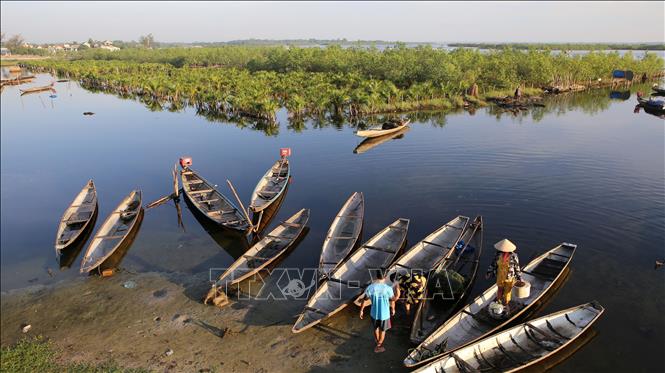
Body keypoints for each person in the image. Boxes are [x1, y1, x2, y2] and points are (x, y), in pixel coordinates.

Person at [359, 269, 395, 353]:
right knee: (383, 331)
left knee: (375, 328)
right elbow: (392, 300)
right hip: (384, 315)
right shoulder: (388, 289)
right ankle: (378, 347)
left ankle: (377, 340)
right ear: (385, 277)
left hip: (374, 313)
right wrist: (393, 309)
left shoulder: (370, 287)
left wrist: (361, 310)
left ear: (376, 276)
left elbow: (364, 300)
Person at [486, 239, 522, 315]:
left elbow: (517, 267)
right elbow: (493, 264)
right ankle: (499, 302)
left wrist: (519, 277)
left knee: (507, 293)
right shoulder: (498, 255)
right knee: (500, 290)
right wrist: (489, 272)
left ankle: (505, 304)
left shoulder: (514, 256)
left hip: (510, 278)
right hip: (500, 276)